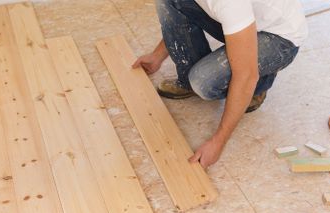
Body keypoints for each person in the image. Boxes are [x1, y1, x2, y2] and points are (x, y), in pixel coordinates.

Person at [132, 0, 308, 168]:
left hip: (279, 37)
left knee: (203, 82)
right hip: (247, 19)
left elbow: (245, 74)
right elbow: (179, 12)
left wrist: (218, 141)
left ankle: (260, 83)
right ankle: (188, 79)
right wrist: (157, 55)